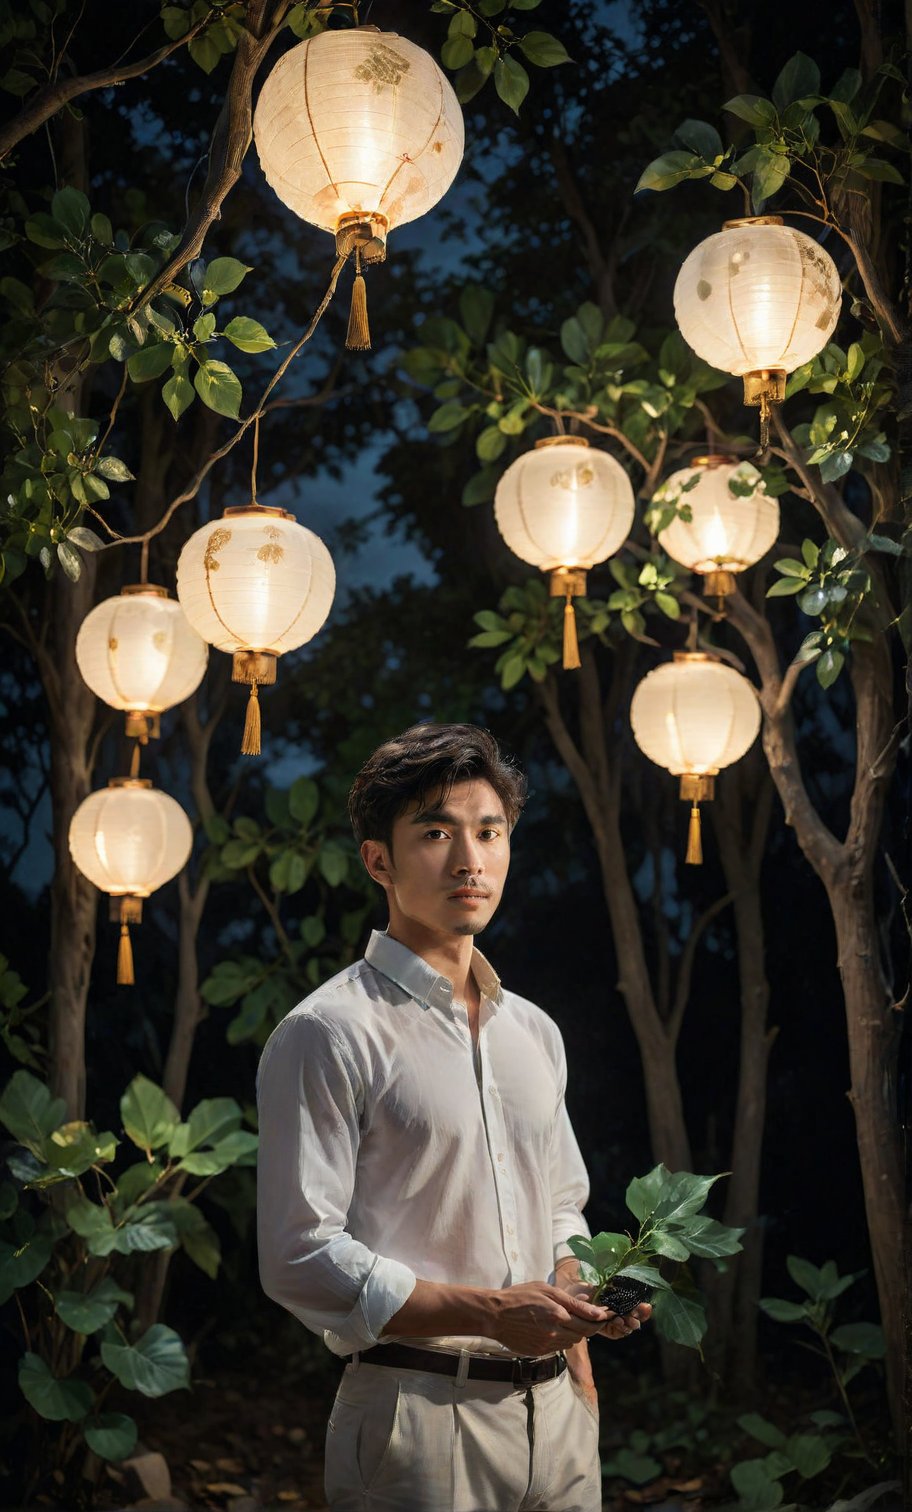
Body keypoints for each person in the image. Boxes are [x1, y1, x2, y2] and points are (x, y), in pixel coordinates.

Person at [256, 723, 651, 1511]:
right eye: (435, 832)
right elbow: (298, 1255)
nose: (470, 859)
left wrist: (576, 1309)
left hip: (560, 1423)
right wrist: (494, 1313)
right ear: (379, 861)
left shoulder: (533, 1031)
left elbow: (563, 1202)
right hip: (419, 1418)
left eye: (489, 831)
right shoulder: (327, 1031)